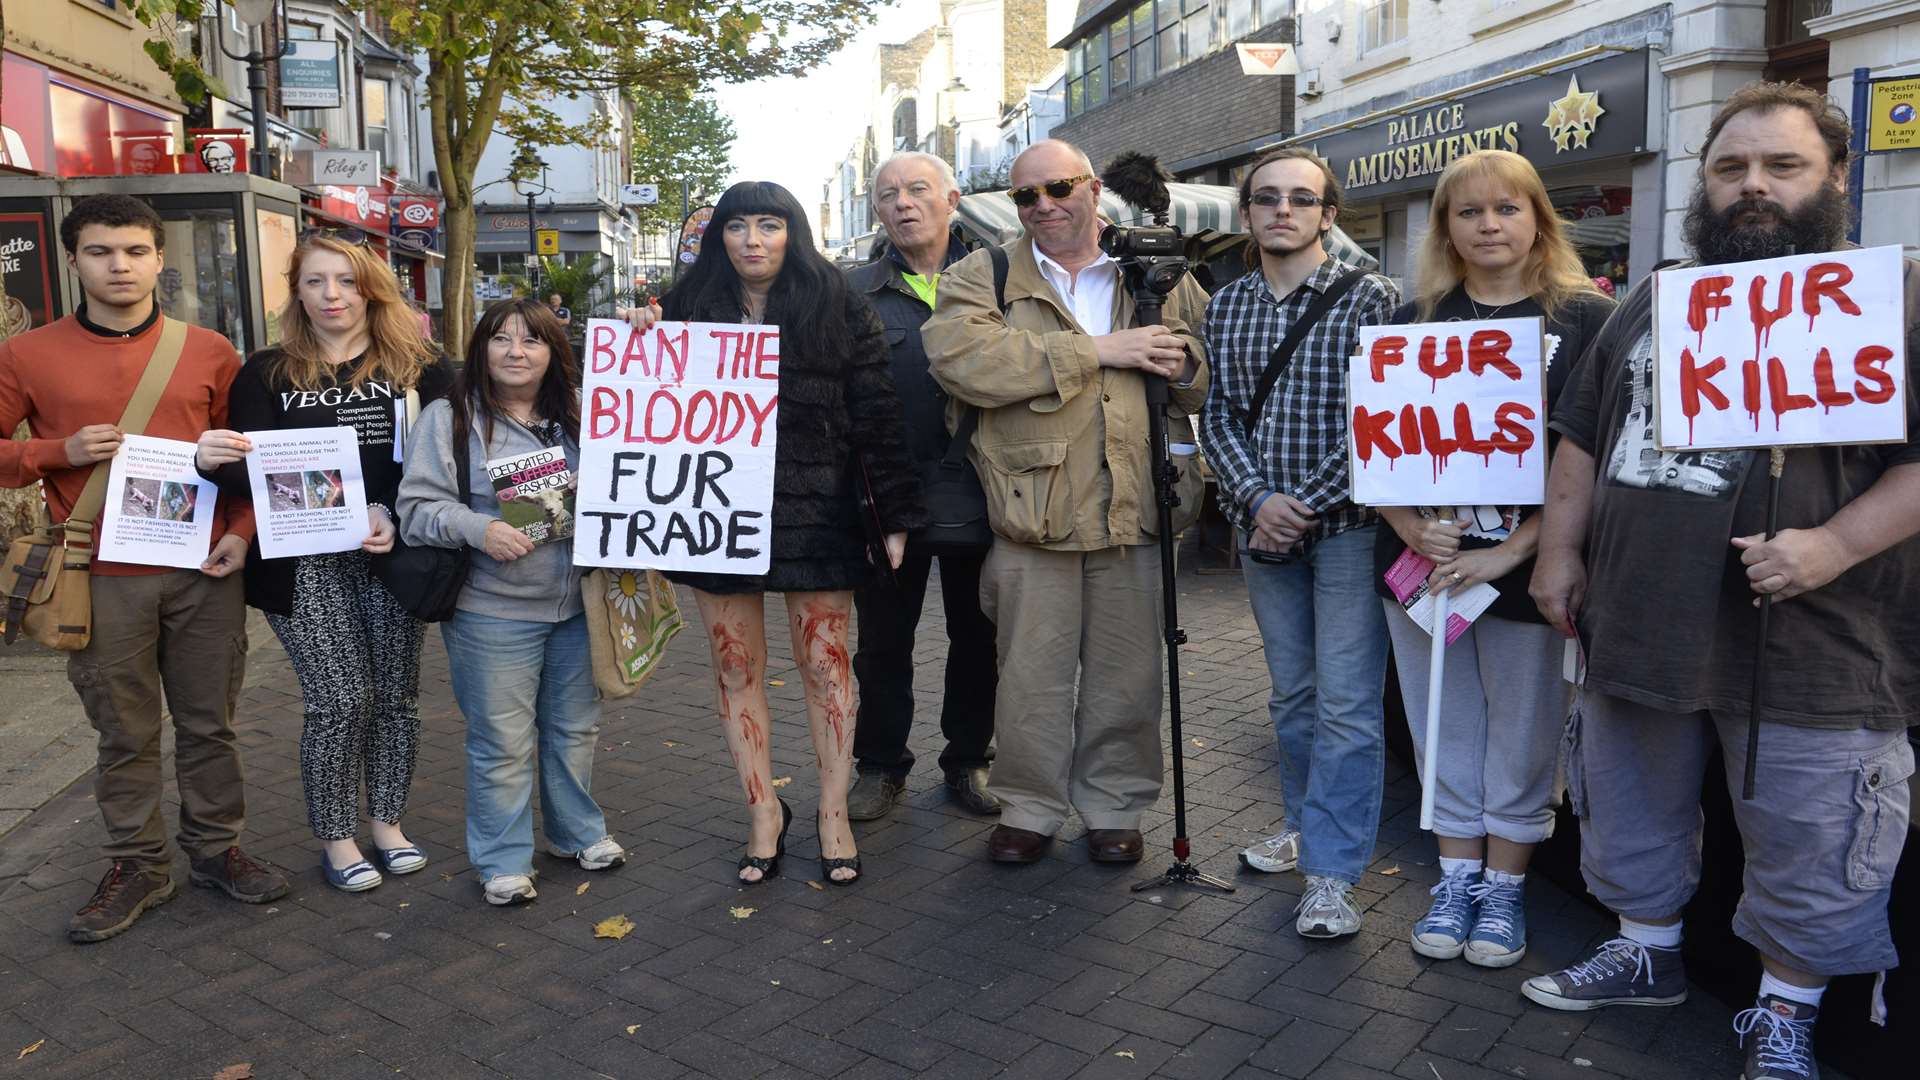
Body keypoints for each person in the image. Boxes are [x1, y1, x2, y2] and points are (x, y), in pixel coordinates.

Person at [1524, 82, 1920, 1080]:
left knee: (1813, 830)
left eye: (1781, 167)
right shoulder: (1654, 298)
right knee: (1627, 803)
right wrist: (1561, 555)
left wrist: (1831, 543)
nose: (1754, 187)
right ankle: (1647, 948)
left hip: (1817, 642)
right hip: (1641, 624)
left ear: (1835, 177)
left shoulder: (1899, 299)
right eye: (1730, 168)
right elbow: (1581, 435)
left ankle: (1784, 1013)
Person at [0, 194, 289, 942]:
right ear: (73, 261)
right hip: (99, 579)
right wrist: (53, 453)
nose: (119, 266)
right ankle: (137, 863)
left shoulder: (210, 351)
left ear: (160, 259)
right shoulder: (27, 355)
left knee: (210, 725)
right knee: (123, 733)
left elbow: (245, 459)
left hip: (202, 572)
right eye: (100, 252)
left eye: (134, 251)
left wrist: (243, 534)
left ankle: (216, 848)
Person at [921, 140, 1209, 866]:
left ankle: (1114, 807)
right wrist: (1099, 351)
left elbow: (1207, 370)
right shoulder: (982, 274)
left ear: (1092, 187)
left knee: (1128, 678)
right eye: (1026, 196)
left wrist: (1184, 362)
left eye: (1058, 188)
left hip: (1135, 508)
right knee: (1028, 680)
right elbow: (965, 363)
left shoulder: (1156, 268)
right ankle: (1029, 807)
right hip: (1032, 513)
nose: (1044, 205)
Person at [1370, 150, 1615, 967]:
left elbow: (1592, 457)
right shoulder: (1413, 322)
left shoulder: (1584, 321)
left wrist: (1510, 553)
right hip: (1428, 572)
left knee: (1524, 731)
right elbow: (1372, 446)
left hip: (1524, 572)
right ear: (1446, 228)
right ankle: (1456, 879)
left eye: (1506, 209)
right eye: (1469, 213)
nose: (1489, 226)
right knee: (1443, 724)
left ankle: (1505, 891)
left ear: (1538, 217)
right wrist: (1410, 527)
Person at [641, 180, 922, 886]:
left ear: (792, 231)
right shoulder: (682, 311)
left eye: (769, 224)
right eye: (737, 227)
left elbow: (877, 418)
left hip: (817, 513)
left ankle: (833, 812)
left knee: (827, 666)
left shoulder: (839, 308)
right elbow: (643, 417)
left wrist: (892, 516)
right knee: (735, 665)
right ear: (719, 238)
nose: (753, 240)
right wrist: (640, 341)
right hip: (715, 515)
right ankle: (763, 811)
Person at [194, 233, 450, 893]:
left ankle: (388, 824)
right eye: (315, 281)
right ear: (297, 290)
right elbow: (244, 476)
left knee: (396, 699)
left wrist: (390, 513)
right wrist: (207, 463)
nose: (331, 295)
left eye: (345, 280)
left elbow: (447, 462)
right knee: (339, 700)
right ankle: (336, 838)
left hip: (391, 556)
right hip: (304, 561)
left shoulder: (421, 366)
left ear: (371, 286)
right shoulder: (268, 371)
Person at [1195, 148, 1399, 937]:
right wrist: (1255, 498)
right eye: (1267, 198)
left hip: (1348, 531)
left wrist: (1299, 503)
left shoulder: (1373, 301)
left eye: (1301, 199)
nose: (1284, 210)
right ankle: (1302, 823)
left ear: (1327, 213)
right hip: (1262, 532)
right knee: (1294, 697)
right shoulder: (1227, 305)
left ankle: (1332, 875)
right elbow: (1215, 418)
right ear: (1246, 213)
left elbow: (1382, 423)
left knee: (1349, 706)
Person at [397, 298, 628, 906]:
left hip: (580, 606)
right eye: (501, 339)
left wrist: (641, 334)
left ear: (555, 352)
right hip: (491, 611)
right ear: (481, 349)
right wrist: (481, 528)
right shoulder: (451, 419)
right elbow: (416, 510)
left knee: (574, 729)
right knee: (501, 742)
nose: (517, 352)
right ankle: (501, 860)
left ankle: (576, 833)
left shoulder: (583, 413)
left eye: (532, 340)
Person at [844, 151, 1000, 821]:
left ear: (953, 199)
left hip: (985, 496)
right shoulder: (850, 293)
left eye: (917, 190)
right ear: (876, 209)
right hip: (885, 502)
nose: (903, 203)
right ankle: (879, 766)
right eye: (888, 195)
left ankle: (969, 761)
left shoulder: (1004, 282)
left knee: (980, 638)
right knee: (882, 643)